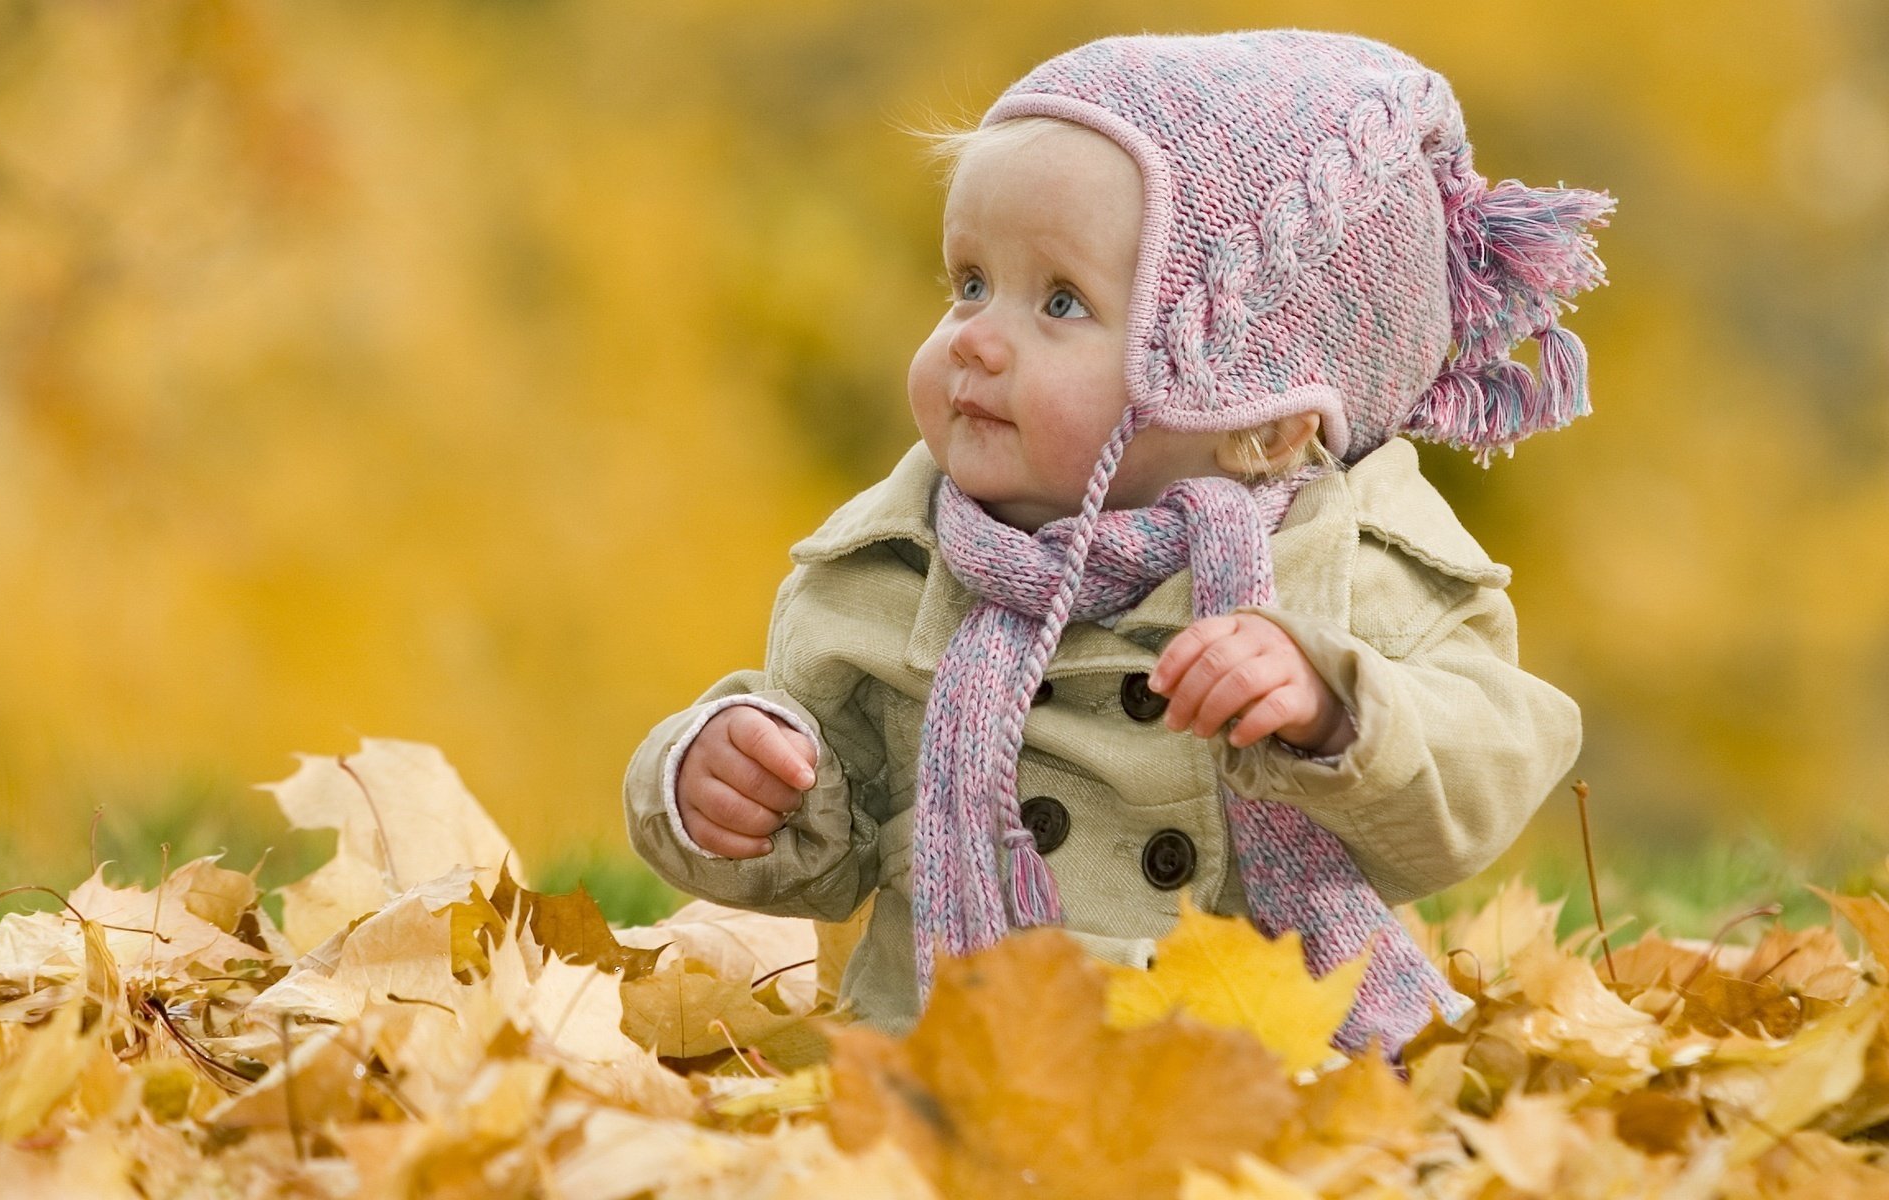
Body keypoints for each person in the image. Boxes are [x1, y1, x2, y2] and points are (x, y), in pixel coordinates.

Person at [623, 29, 1608, 1058]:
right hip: (946, 1067)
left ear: (1261, 417)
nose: (975, 338)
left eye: (1061, 302)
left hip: (1252, 1079)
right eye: (968, 282)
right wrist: (724, 784)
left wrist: (1335, 710)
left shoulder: (1346, 567)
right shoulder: (893, 563)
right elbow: (825, 844)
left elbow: (1484, 766)